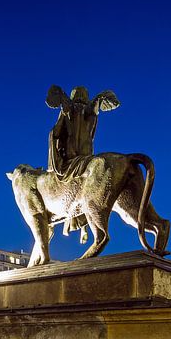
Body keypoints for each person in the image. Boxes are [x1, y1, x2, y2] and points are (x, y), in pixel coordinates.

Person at [45, 85, 119, 241]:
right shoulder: (91, 111)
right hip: (87, 156)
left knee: (67, 185)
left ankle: (79, 224)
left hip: (71, 157)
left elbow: (56, 132)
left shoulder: (68, 109)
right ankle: (84, 227)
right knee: (87, 191)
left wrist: (54, 145)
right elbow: (91, 134)